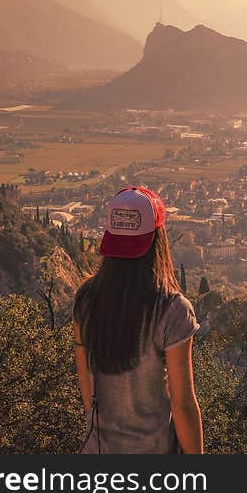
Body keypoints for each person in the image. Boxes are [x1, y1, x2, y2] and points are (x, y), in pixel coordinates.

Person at [73, 186, 203, 454]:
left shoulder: (87, 299)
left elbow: (85, 377)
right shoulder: (172, 310)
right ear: (158, 240)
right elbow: (182, 404)